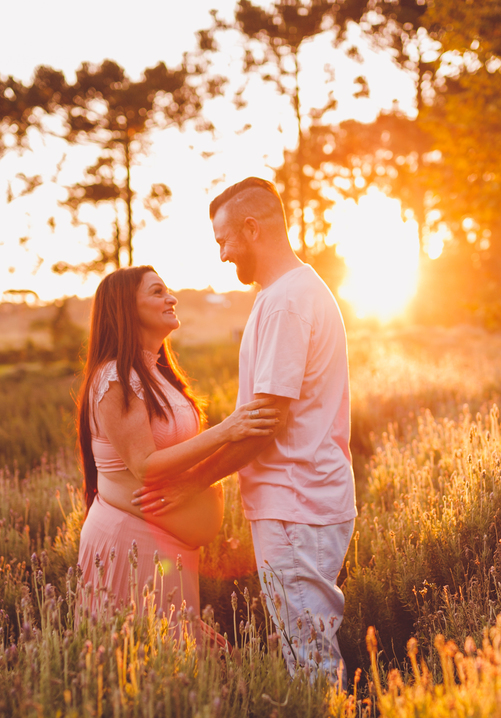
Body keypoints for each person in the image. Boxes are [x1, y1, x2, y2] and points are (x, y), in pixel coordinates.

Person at [135, 177, 356, 684]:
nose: (222, 256)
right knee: (304, 646)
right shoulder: (284, 294)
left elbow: (263, 426)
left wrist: (193, 482)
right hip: (301, 501)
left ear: (252, 229)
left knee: (309, 658)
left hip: (296, 505)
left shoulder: (285, 302)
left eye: (223, 241)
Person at [75, 265, 279, 624]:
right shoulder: (115, 377)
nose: (171, 298)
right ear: (126, 307)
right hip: (131, 543)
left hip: (168, 549)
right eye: (157, 292)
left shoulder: (156, 372)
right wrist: (227, 430)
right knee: (138, 664)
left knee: (173, 664)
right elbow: (145, 465)